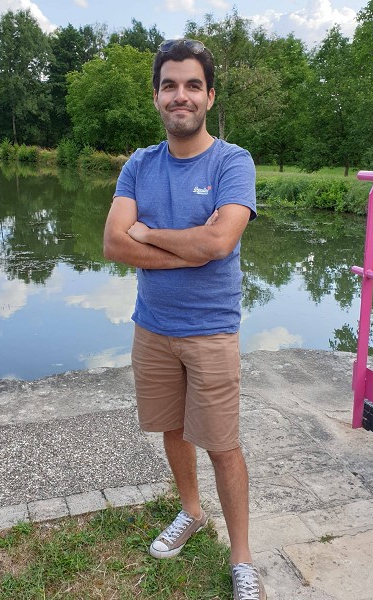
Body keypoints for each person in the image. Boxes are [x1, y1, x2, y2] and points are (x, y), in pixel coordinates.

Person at [103, 38, 266, 600]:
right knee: (172, 429)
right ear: (156, 97)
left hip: (211, 331)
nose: (181, 96)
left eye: (193, 85)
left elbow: (220, 242)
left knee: (222, 444)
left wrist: (149, 234)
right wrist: (189, 248)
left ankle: (242, 557)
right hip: (152, 328)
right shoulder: (140, 164)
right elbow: (113, 244)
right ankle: (191, 512)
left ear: (209, 96)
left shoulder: (232, 162)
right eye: (169, 85)